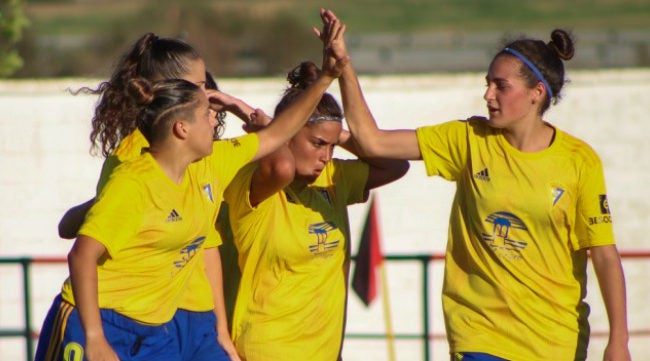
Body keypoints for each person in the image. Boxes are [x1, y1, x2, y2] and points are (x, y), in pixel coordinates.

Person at [37, 13, 349, 361]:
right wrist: (94, 337)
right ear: (176, 108)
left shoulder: (212, 161)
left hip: (163, 323)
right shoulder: (135, 170)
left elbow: (274, 138)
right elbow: (82, 248)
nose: (212, 99)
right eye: (200, 88)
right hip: (105, 317)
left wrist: (327, 77)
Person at [325, 11, 631, 361]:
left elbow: (605, 255)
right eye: (487, 83)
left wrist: (618, 341)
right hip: (480, 336)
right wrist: (343, 69)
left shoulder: (580, 161)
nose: (488, 95)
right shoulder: (469, 138)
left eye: (501, 86)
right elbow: (373, 142)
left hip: (556, 342)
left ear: (536, 93)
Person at [224, 42, 409, 361]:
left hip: (325, 353)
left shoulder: (334, 178)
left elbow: (396, 164)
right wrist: (271, 130)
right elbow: (281, 166)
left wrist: (340, 135)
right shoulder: (256, 180)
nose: (325, 157)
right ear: (288, 133)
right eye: (317, 143)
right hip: (269, 350)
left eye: (331, 146)